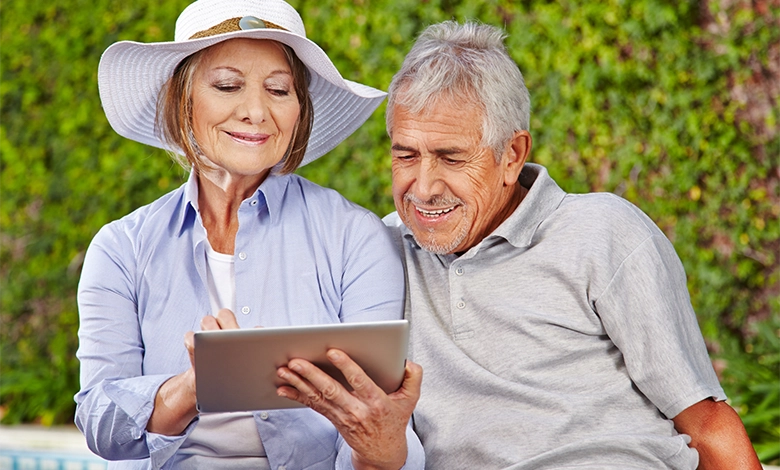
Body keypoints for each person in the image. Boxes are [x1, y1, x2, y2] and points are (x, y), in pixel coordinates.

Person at [381, 20, 763, 470]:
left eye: (451, 157)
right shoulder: (379, 254)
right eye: (406, 155)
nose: (422, 188)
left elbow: (705, 422)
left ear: (512, 155)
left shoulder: (604, 232)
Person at [74, 0, 423, 468]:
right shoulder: (121, 249)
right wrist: (193, 387)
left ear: (299, 109)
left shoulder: (355, 238)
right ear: (181, 100)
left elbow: (374, 423)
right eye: (227, 85)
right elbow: (99, 420)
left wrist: (377, 444)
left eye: (278, 90)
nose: (256, 111)